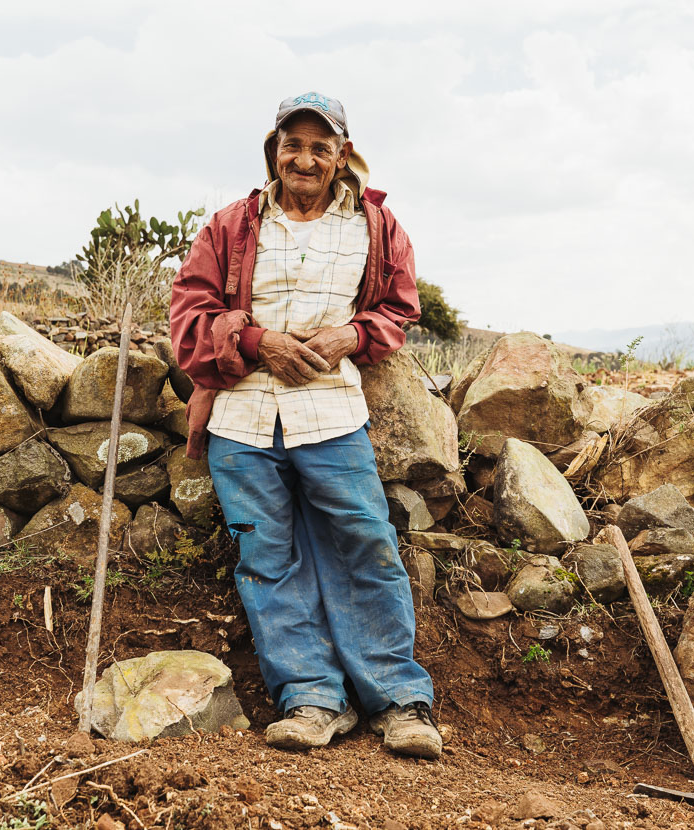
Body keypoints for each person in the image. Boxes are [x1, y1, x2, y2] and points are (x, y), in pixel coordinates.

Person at [169, 92, 440, 760]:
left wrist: (352, 335)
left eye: (321, 146)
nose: (305, 158)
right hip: (241, 420)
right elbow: (188, 314)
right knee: (267, 560)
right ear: (275, 149)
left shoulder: (376, 226)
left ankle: (400, 702)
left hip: (331, 414)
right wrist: (256, 342)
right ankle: (312, 700)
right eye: (294, 144)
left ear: (341, 154)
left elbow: (397, 311)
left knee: (365, 544)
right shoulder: (231, 224)